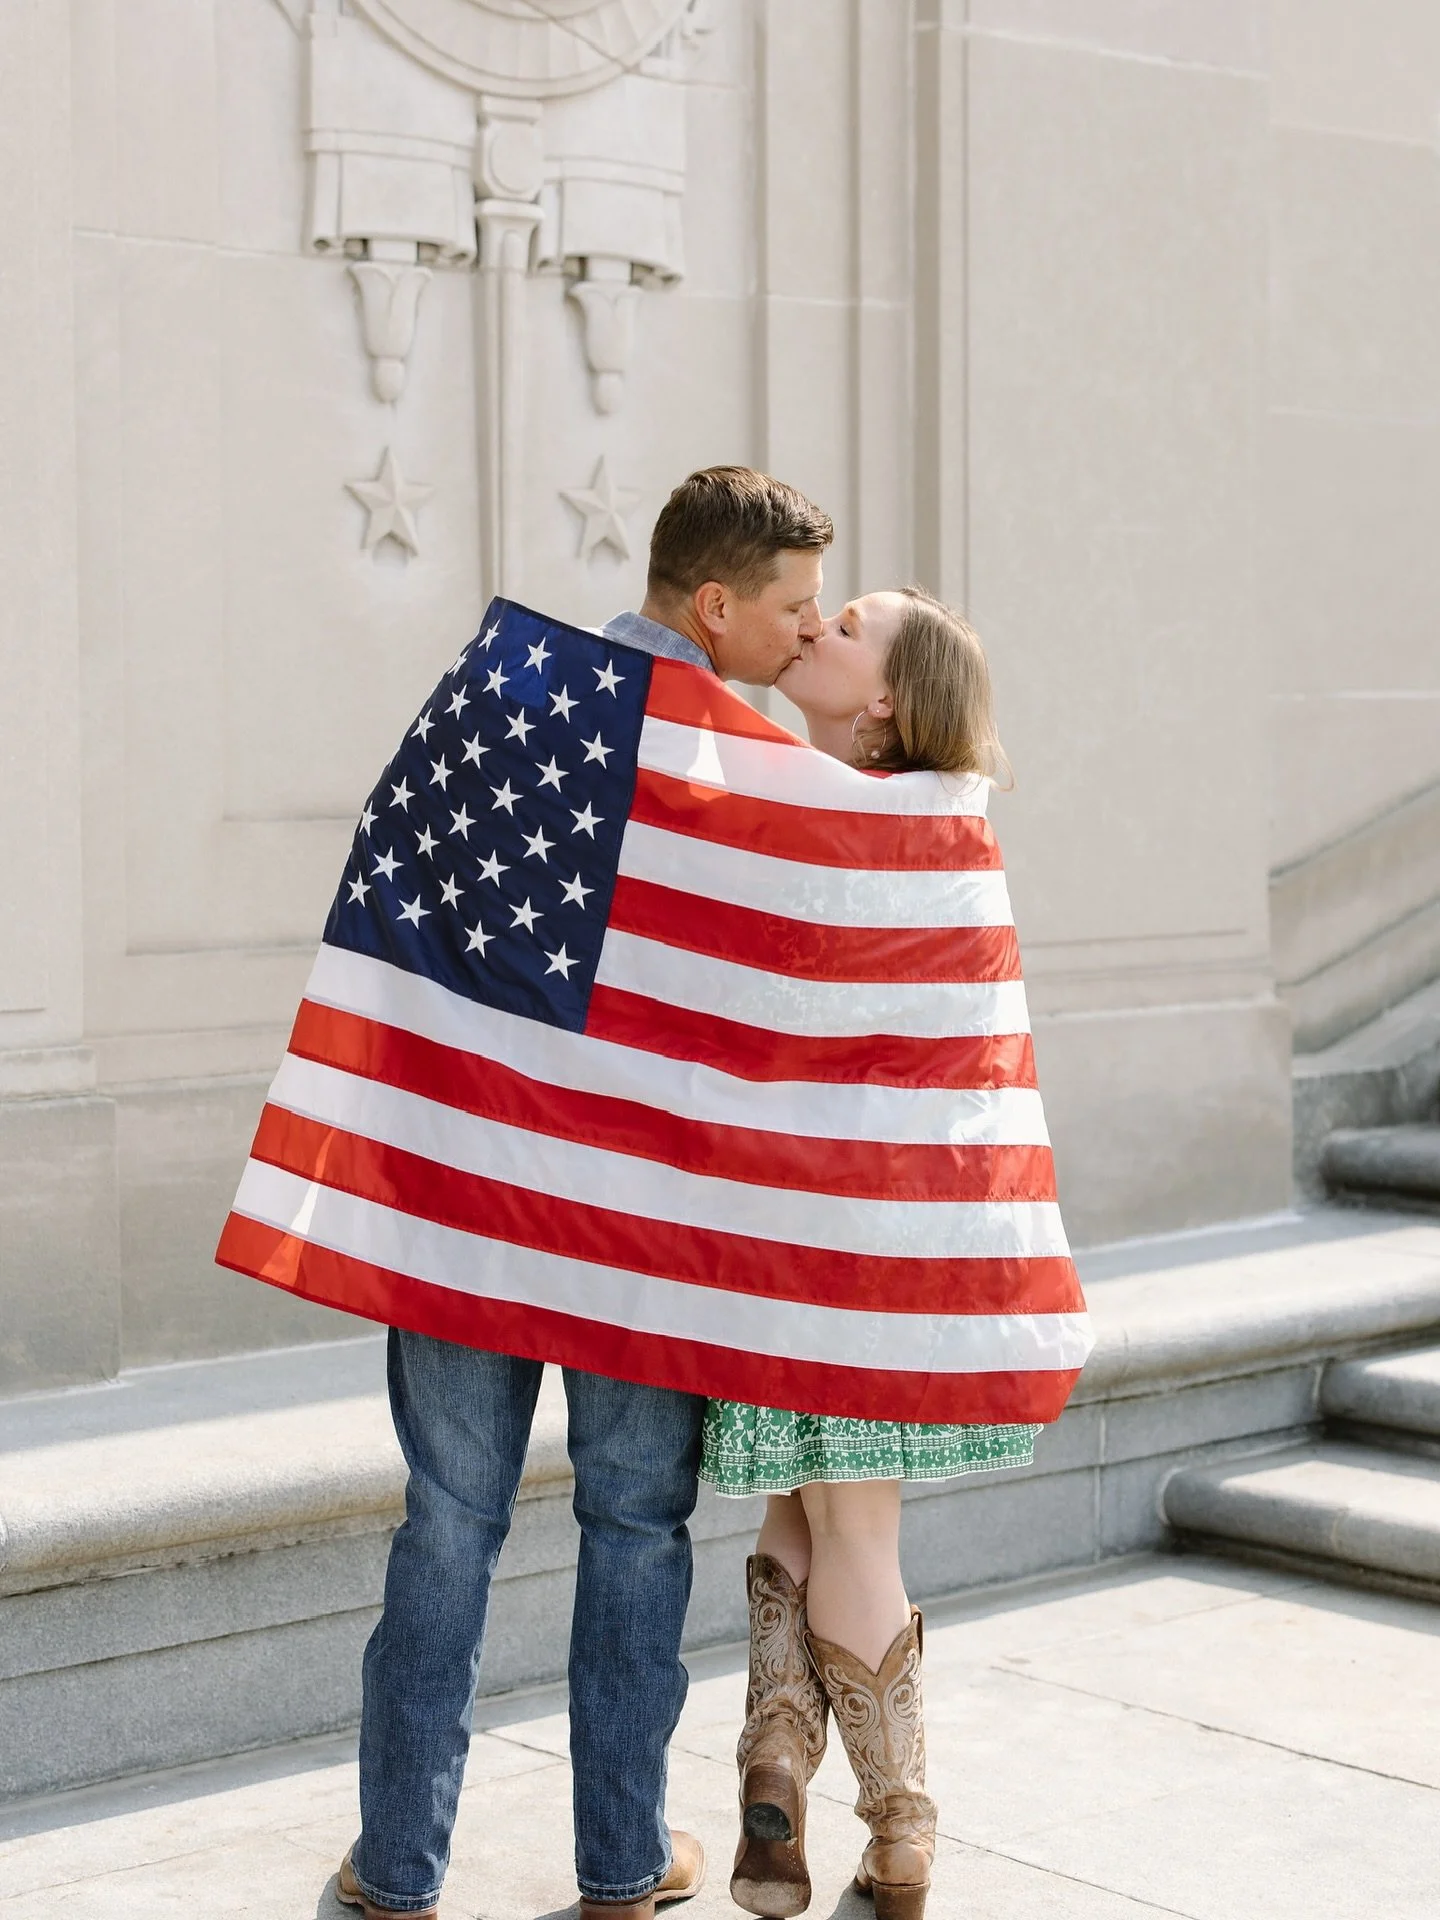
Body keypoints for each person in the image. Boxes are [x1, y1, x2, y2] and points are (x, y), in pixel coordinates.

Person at [337, 467, 833, 1920]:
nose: (807, 636)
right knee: (633, 1528)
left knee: (446, 1520)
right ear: (718, 602)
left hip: (471, 1197)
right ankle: (623, 1865)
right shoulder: (745, 763)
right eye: (794, 608)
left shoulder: (497, 698)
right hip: (640, 1228)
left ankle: (397, 1866)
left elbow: (393, 894)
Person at [707, 588, 1033, 1920]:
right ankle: (886, 1831)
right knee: (833, 1509)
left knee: (821, 1511)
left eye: (846, 628)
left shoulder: (898, 827)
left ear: (888, 699)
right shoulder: (899, 826)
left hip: (833, 1232)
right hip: (838, 1231)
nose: (816, 634)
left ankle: (801, 1777)